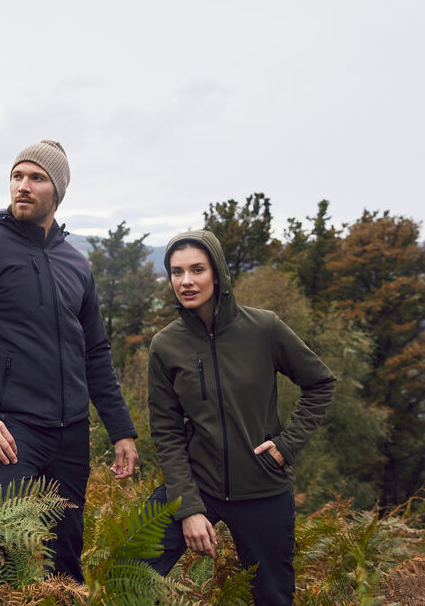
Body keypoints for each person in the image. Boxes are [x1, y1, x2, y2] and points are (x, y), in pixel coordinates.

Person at [0, 139, 139, 584]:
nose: (23, 185)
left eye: (36, 178)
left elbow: (96, 352)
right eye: (17, 176)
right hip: (11, 431)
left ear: (57, 192)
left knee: (65, 564)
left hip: (72, 435)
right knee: (7, 558)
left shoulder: (75, 263)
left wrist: (121, 429)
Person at [144, 229, 335, 605]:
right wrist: (188, 508)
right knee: (130, 569)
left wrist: (287, 445)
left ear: (217, 274)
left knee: (273, 597)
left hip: (263, 486)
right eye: (177, 272)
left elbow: (321, 383)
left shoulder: (264, 328)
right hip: (198, 482)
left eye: (197, 269)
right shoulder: (165, 345)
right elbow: (166, 431)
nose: (186, 281)